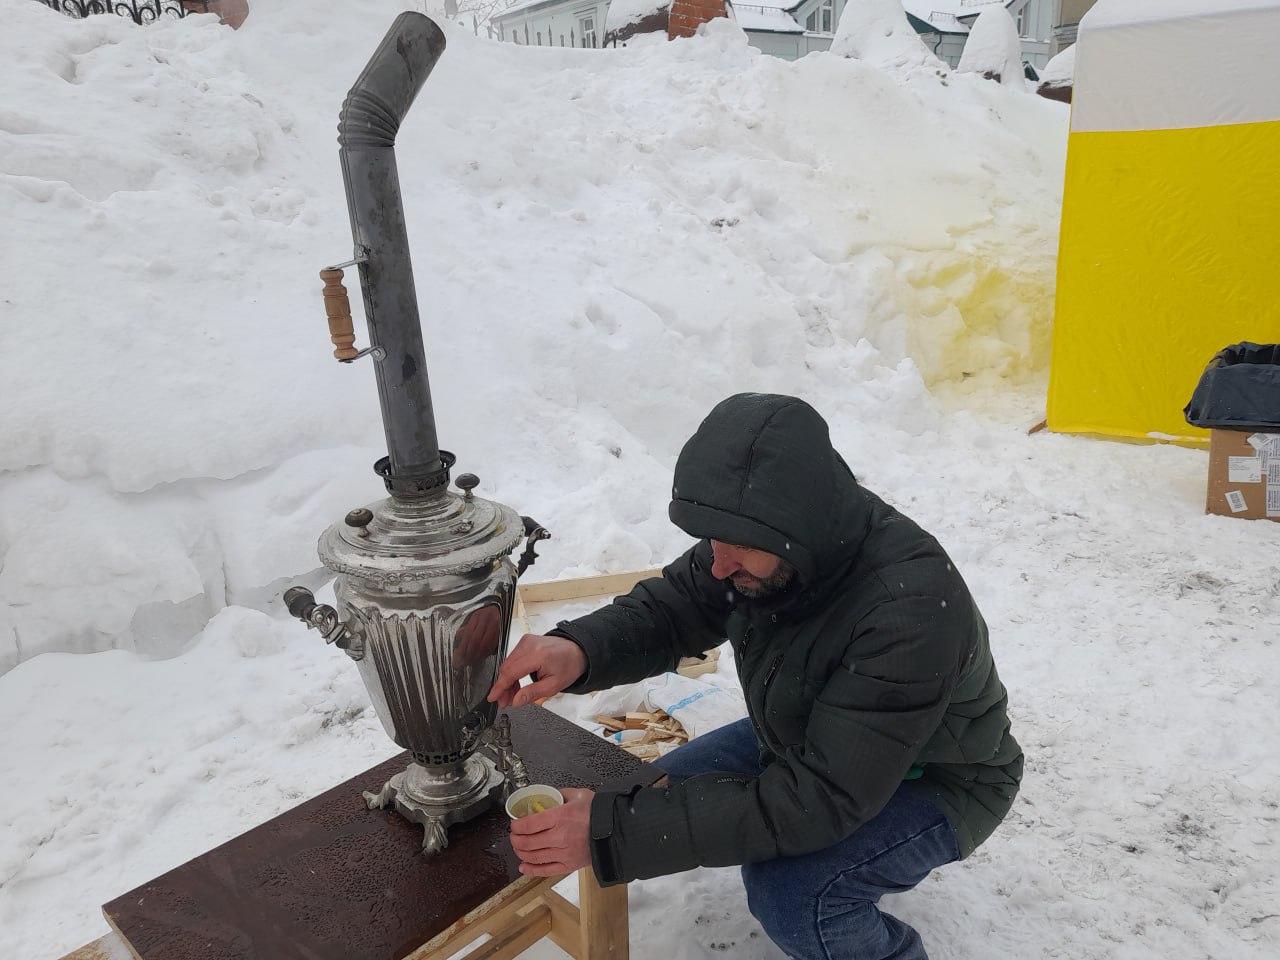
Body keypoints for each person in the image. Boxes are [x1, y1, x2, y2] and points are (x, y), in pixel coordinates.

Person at [488, 393, 1022, 960]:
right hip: (809, 737)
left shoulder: (908, 612)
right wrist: (580, 648)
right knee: (639, 795)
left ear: (797, 527)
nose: (718, 564)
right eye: (713, 540)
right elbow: (674, 608)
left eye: (738, 546)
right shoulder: (763, 537)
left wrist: (614, 833)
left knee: (794, 896)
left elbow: (821, 799)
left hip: (940, 777)